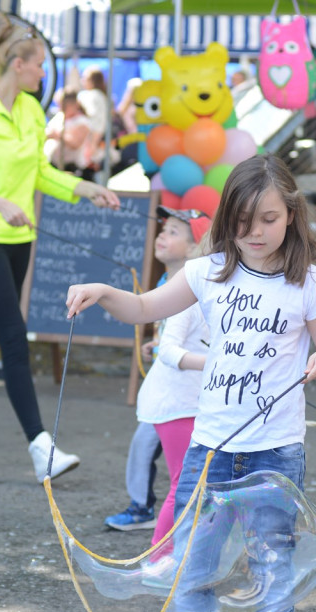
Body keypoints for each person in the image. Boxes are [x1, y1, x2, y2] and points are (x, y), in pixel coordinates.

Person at [66, 154, 316, 612]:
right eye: (243, 221)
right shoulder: (210, 270)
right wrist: (103, 290)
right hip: (211, 447)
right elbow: (145, 306)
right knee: (194, 568)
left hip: (276, 450)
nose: (255, 233)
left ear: (290, 216)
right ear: (227, 220)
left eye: (268, 219)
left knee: (274, 570)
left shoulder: (305, 282)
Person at [0, 5, 120, 481]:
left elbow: (39, 172)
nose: (42, 72)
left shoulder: (32, 110)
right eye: (38, 64)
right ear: (18, 64)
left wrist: (84, 189)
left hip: (19, 238)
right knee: (13, 335)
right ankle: (40, 446)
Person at [104, 207, 211, 535]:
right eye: (163, 229)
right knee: (162, 459)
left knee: (186, 476)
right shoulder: (169, 281)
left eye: (174, 232)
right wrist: (160, 346)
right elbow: (172, 336)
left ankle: (151, 516)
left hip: (188, 394)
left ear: (196, 247)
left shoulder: (200, 286)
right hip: (172, 393)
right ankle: (149, 516)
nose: (162, 235)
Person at [44, 89, 94, 180]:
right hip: (52, 164)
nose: (61, 108)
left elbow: (75, 143)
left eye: (64, 106)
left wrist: (57, 135)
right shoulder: (60, 116)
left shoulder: (82, 122)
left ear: (74, 105)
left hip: (70, 168)